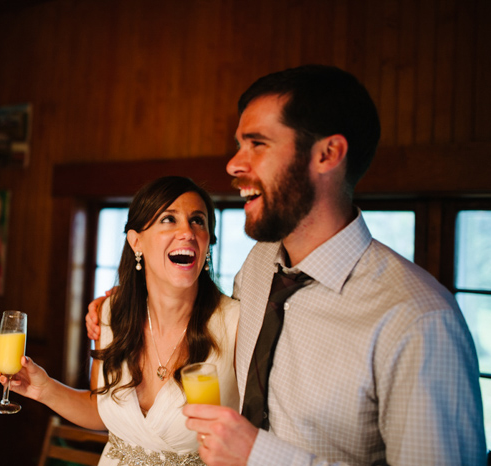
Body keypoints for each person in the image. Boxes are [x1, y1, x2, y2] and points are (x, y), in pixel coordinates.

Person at [88, 65, 486, 465]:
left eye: (257, 144)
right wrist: (124, 302)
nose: (233, 165)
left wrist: (262, 456)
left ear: (327, 154)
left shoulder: (417, 320)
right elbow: (200, 309)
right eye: (239, 144)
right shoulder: (259, 266)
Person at [0, 176, 240, 464]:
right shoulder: (109, 313)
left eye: (198, 221)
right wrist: (42, 388)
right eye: (169, 219)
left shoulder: (236, 325)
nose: (187, 231)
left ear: (208, 242)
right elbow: (99, 411)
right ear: (137, 242)